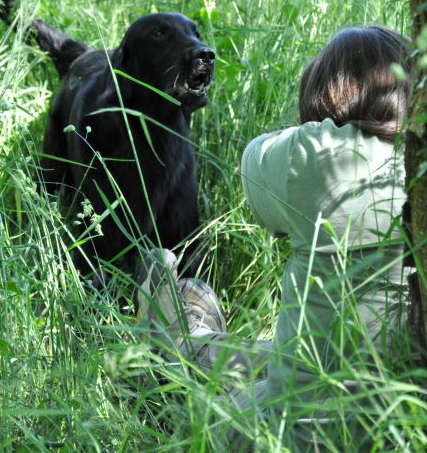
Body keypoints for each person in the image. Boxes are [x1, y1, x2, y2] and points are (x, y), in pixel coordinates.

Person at [137, 25, 415, 451]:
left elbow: (254, 164)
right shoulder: (418, 167)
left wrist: (326, 123)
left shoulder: (317, 160)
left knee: (202, 368)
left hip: (292, 435)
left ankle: (173, 338)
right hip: (403, 427)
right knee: (283, 358)